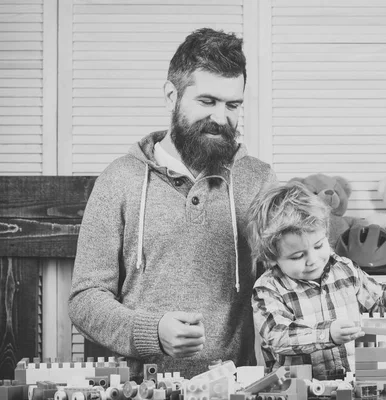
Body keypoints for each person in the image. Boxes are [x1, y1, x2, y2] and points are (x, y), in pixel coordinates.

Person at [68, 28, 277, 381]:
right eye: (207, 101)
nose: (221, 118)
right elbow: (84, 298)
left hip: (233, 386)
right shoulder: (119, 179)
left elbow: (287, 282)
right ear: (171, 95)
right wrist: (153, 332)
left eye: (233, 105)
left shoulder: (258, 180)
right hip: (137, 386)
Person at [247, 182, 386, 380]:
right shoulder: (268, 289)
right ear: (271, 257)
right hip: (301, 390)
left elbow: (381, 300)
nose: (313, 260)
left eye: (318, 245)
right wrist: (327, 334)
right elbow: (277, 336)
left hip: (353, 385)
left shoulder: (345, 269)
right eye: (298, 256)